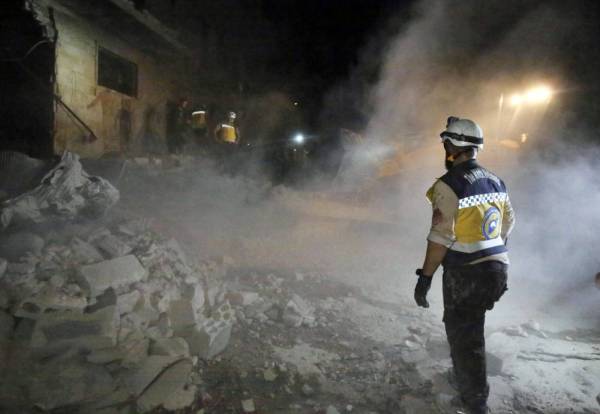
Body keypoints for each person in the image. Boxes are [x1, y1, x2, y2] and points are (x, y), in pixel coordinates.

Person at [414, 116, 515, 414]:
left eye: (446, 144)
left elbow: (440, 238)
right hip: (496, 271)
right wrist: (491, 253)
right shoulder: (496, 179)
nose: (444, 149)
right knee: (471, 330)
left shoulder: (449, 184)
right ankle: (467, 381)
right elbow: (508, 222)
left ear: (453, 146)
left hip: (466, 274)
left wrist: (425, 278)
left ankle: (475, 401)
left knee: (464, 336)